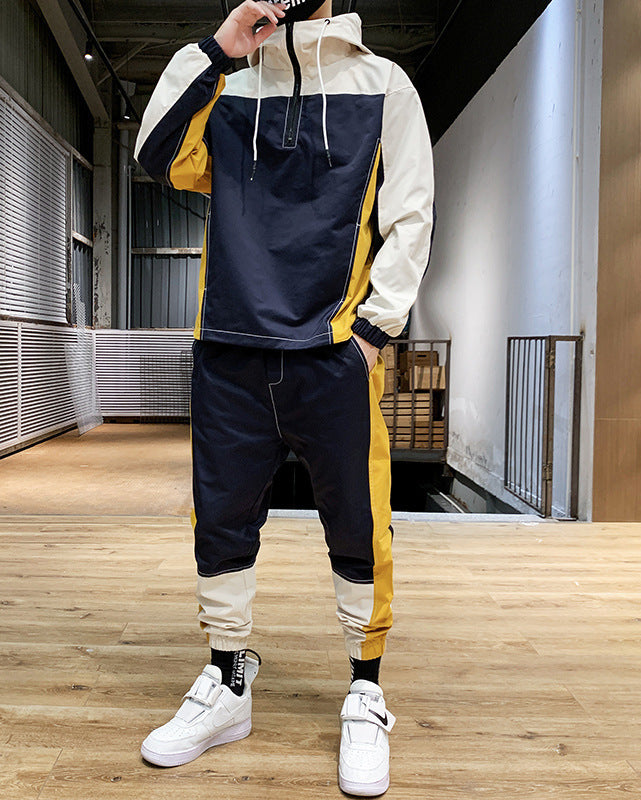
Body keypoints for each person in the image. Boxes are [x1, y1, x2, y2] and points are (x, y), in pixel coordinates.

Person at [133, 0, 435, 795]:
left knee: (359, 523)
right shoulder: (227, 87)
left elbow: (411, 217)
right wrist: (219, 49)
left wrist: (372, 333)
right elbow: (156, 153)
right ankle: (228, 681)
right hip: (229, 349)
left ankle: (365, 690)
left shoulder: (384, 84)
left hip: (331, 354)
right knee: (219, 522)